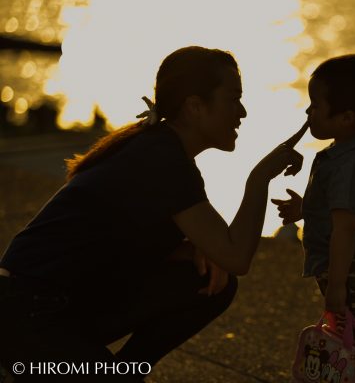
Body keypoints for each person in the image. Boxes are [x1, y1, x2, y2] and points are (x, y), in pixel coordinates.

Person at [0, 46, 307, 382]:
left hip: (64, 305)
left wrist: (192, 247)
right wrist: (260, 178)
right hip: (28, 313)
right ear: (194, 106)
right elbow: (236, 255)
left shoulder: (161, 149)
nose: (243, 111)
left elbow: (122, 239)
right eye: (233, 98)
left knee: (207, 279)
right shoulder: (164, 160)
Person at [271, 54, 355, 382]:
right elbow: (343, 212)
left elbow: (345, 229)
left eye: (315, 105)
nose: (308, 112)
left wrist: (337, 286)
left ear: (345, 118)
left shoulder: (348, 166)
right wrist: (305, 210)